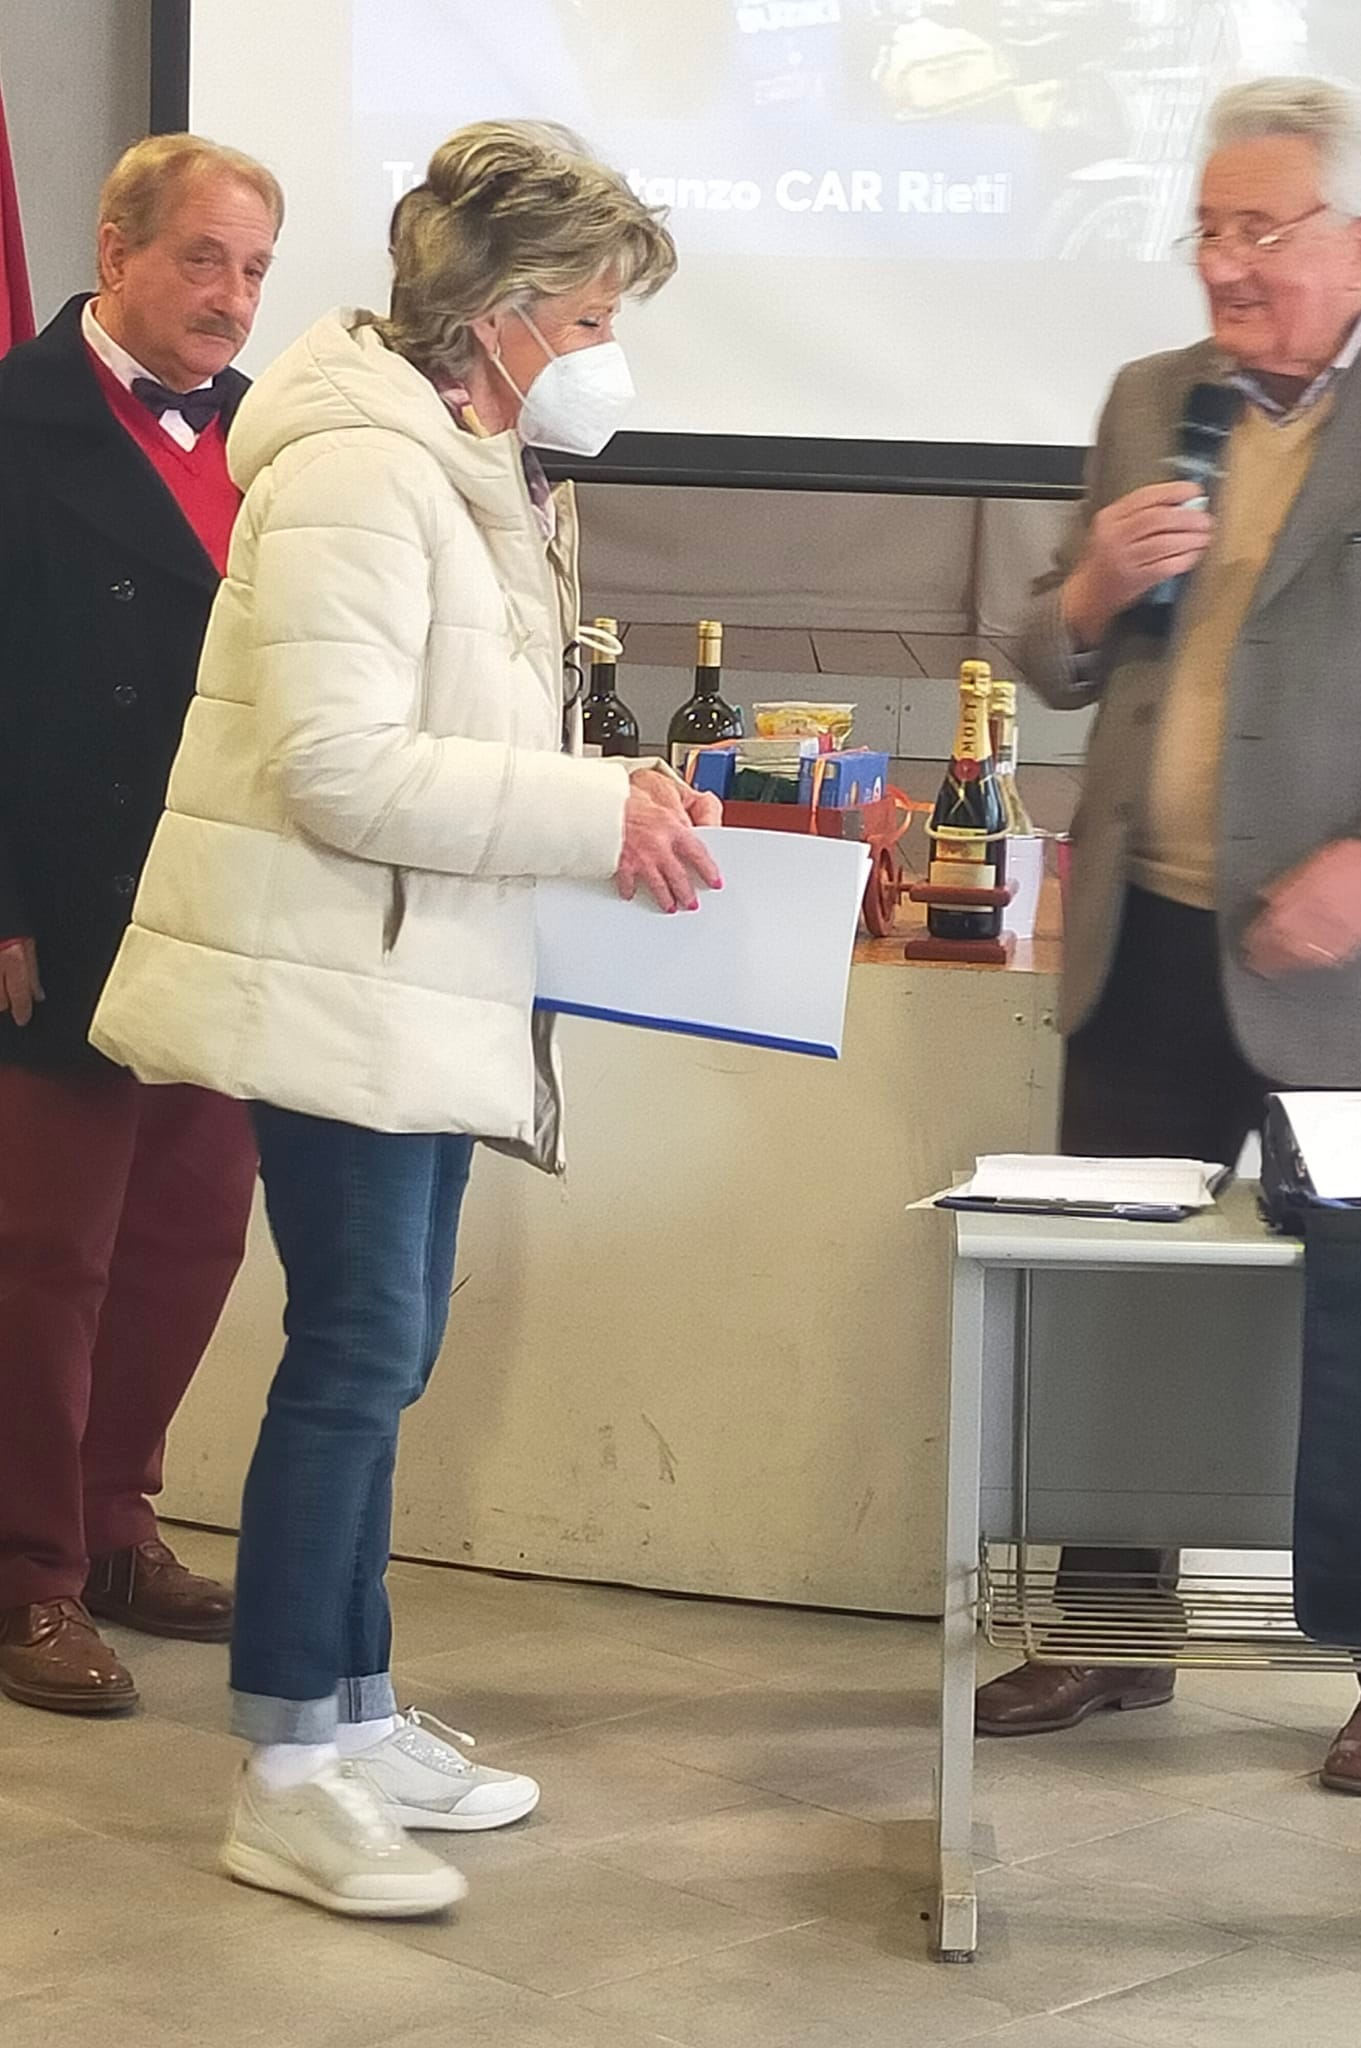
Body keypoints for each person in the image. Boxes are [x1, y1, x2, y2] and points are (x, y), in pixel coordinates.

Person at [91, 119, 721, 1919]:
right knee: (356, 1355)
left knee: (387, 1350)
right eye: (588, 317)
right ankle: (286, 1770)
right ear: (500, 313)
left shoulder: (473, 462)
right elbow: (343, 766)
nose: (605, 352)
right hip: (338, 975)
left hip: (419, 974)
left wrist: (618, 795)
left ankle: (355, 1713)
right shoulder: (362, 471)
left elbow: (469, 734)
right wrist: (594, 818)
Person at [977, 77, 1361, 1794]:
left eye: (1260, 229)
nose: (1223, 261)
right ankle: (1105, 1628)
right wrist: (1087, 588)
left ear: (1358, 241)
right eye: (1208, 226)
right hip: (1142, 936)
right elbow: (1056, 655)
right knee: (1113, 1306)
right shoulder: (1154, 400)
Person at [0, 136, 283, 1716]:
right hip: (59, 902)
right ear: (114, 250)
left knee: (189, 1236)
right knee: (48, 1262)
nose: (232, 298)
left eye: (253, 270)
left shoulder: (273, 441)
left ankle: (114, 1525)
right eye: (201, 259)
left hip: (222, 904)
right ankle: (24, 1573)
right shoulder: (13, 421)